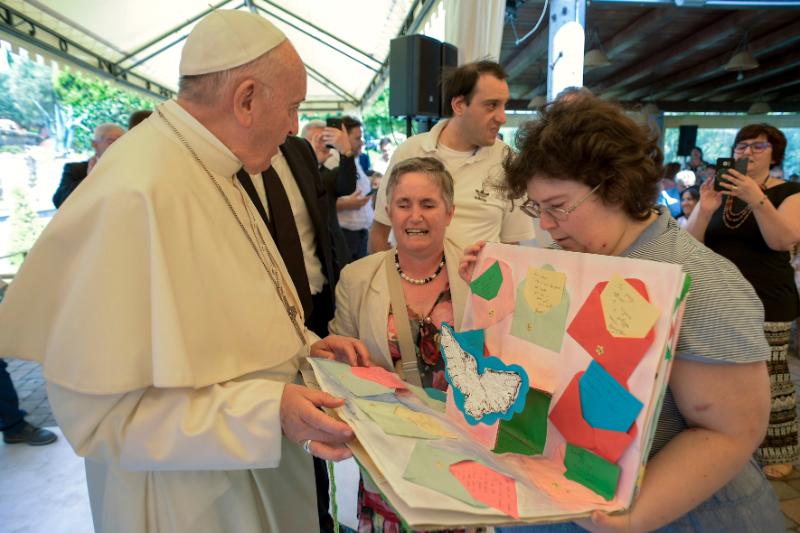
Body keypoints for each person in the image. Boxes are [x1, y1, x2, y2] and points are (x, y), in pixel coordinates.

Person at [0, 10, 371, 532]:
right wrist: (268, 411)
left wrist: (304, 349)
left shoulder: (215, 166)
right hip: (188, 499)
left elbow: (229, 319)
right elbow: (102, 418)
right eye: (292, 107)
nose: (294, 127)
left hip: (249, 477)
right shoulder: (136, 191)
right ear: (245, 100)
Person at [461, 96, 782, 532]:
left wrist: (633, 517)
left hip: (677, 513)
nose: (546, 224)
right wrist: (494, 287)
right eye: (538, 208)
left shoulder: (702, 283)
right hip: (569, 492)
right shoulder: (576, 258)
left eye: (558, 205)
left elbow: (733, 430)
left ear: (613, 187)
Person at [329, 157, 469, 531]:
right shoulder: (357, 279)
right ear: (388, 211)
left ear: (450, 212)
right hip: (389, 456)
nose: (415, 216)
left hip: (463, 454)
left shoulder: (478, 273)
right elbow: (338, 369)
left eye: (428, 204)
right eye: (404, 204)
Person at [687, 123, 800, 480]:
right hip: (720, 299)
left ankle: (778, 449)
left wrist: (757, 198)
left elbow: (783, 240)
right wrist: (705, 209)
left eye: (758, 146)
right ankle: (731, 443)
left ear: (774, 154)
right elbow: (690, 246)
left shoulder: (790, 192)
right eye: (741, 146)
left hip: (767, 299)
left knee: (771, 378)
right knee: (722, 376)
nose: (747, 152)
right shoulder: (721, 195)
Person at [369, 61, 534, 253]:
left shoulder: (508, 162)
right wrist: (388, 273)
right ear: (459, 105)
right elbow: (380, 232)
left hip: (480, 274)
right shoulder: (410, 152)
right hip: (409, 272)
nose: (502, 117)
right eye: (491, 105)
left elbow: (511, 246)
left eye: (504, 105)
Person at [301, 119, 358, 271]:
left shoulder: (328, 174)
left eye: (326, 139)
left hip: (335, 253)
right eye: (316, 139)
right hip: (306, 254)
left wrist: (346, 151)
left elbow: (347, 186)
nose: (322, 144)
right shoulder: (295, 174)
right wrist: (311, 160)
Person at [52, 122, 124, 208]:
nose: (118, 146)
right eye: (111, 142)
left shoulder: (128, 169)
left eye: (122, 142)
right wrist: (90, 178)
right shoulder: (76, 169)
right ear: (94, 144)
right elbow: (59, 201)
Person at [335, 116, 373, 261]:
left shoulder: (354, 160)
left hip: (359, 234)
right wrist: (346, 204)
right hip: (346, 235)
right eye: (357, 138)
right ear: (344, 137)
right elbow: (321, 202)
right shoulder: (334, 161)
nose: (362, 142)